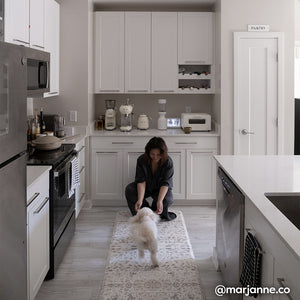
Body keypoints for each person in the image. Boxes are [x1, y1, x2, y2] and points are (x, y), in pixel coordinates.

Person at [125, 136, 177, 221]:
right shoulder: (141, 160)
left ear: (163, 153)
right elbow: (141, 181)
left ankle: (155, 209)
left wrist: (159, 201)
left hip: (160, 189)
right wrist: (140, 200)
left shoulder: (168, 162)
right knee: (130, 189)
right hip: (146, 187)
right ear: (148, 152)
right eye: (152, 154)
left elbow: (165, 183)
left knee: (167, 200)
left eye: (158, 154)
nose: (155, 157)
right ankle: (145, 211)